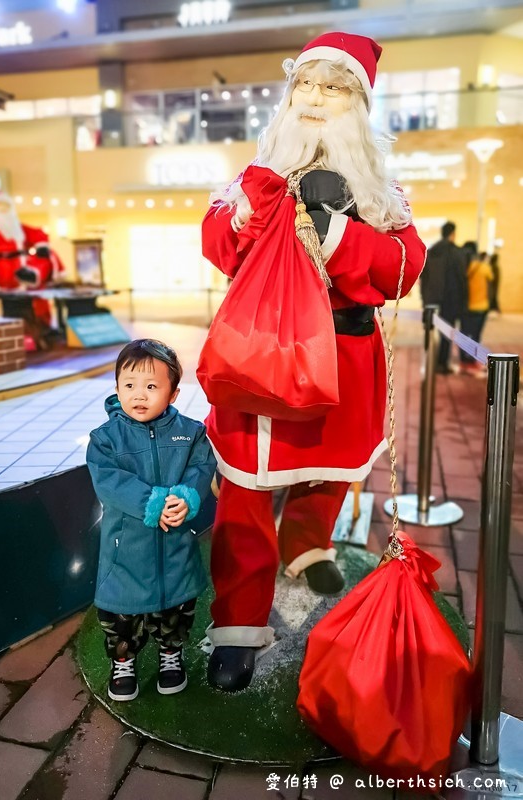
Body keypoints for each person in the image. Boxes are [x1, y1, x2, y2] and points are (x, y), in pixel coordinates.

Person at [200, 32, 426, 691]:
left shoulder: (383, 191)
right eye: (306, 84)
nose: (316, 98)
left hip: (345, 360)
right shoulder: (255, 178)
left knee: (326, 479)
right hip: (260, 356)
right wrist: (260, 198)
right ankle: (238, 627)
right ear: (289, 92)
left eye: (333, 87)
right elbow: (218, 245)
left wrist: (336, 234)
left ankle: (304, 548)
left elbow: (403, 269)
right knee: (245, 495)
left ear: (357, 104)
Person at [86, 339, 216, 701]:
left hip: (175, 547)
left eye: (151, 386)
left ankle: (171, 655)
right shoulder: (105, 440)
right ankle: (123, 660)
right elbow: (109, 481)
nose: (138, 395)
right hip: (125, 551)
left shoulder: (190, 433)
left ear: (173, 393)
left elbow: (202, 466)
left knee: (175, 610)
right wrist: (153, 502)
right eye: (129, 385)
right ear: (116, 388)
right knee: (121, 617)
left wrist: (189, 496)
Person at [0, 189, 65, 348]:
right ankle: (24, 336)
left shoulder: (18, 227)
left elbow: (37, 233)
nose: (3, 210)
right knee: (15, 308)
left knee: (48, 256)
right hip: (5, 270)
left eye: (6, 205)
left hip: (25, 266)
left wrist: (41, 245)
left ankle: (34, 276)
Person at [420, 221, 467, 374]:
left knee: (431, 331)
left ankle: (430, 361)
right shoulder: (456, 252)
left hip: (432, 297)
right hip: (451, 299)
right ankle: (442, 363)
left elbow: (424, 276)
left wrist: (425, 297)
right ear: (452, 234)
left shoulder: (432, 250)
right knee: (447, 332)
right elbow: (461, 278)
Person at [460, 251, 493, 377]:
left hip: (466, 307)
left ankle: (464, 360)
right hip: (481, 307)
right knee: (476, 335)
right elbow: (490, 286)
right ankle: (473, 360)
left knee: (464, 333)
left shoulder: (465, 268)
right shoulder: (485, 267)